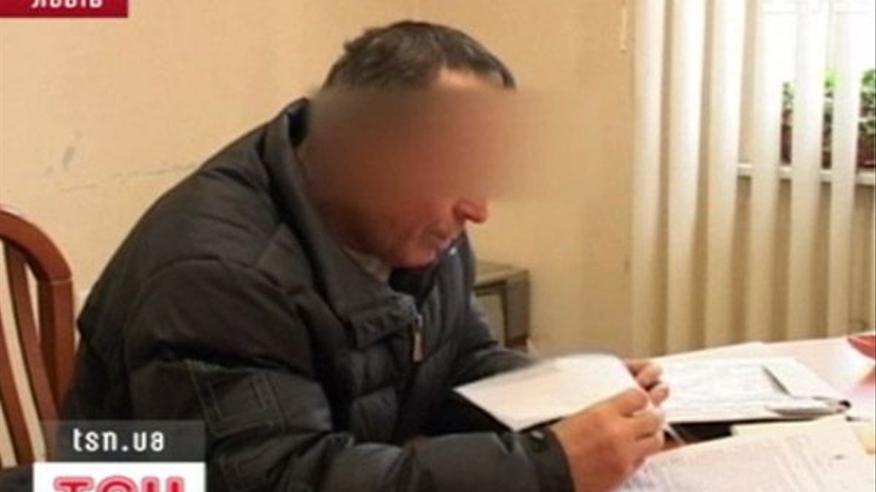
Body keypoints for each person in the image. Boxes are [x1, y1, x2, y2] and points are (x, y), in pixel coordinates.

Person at [60, 20, 668, 492]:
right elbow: (282, 475)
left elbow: (457, 361)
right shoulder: (217, 276)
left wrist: (573, 393)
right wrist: (544, 468)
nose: (478, 208)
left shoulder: (415, 227)